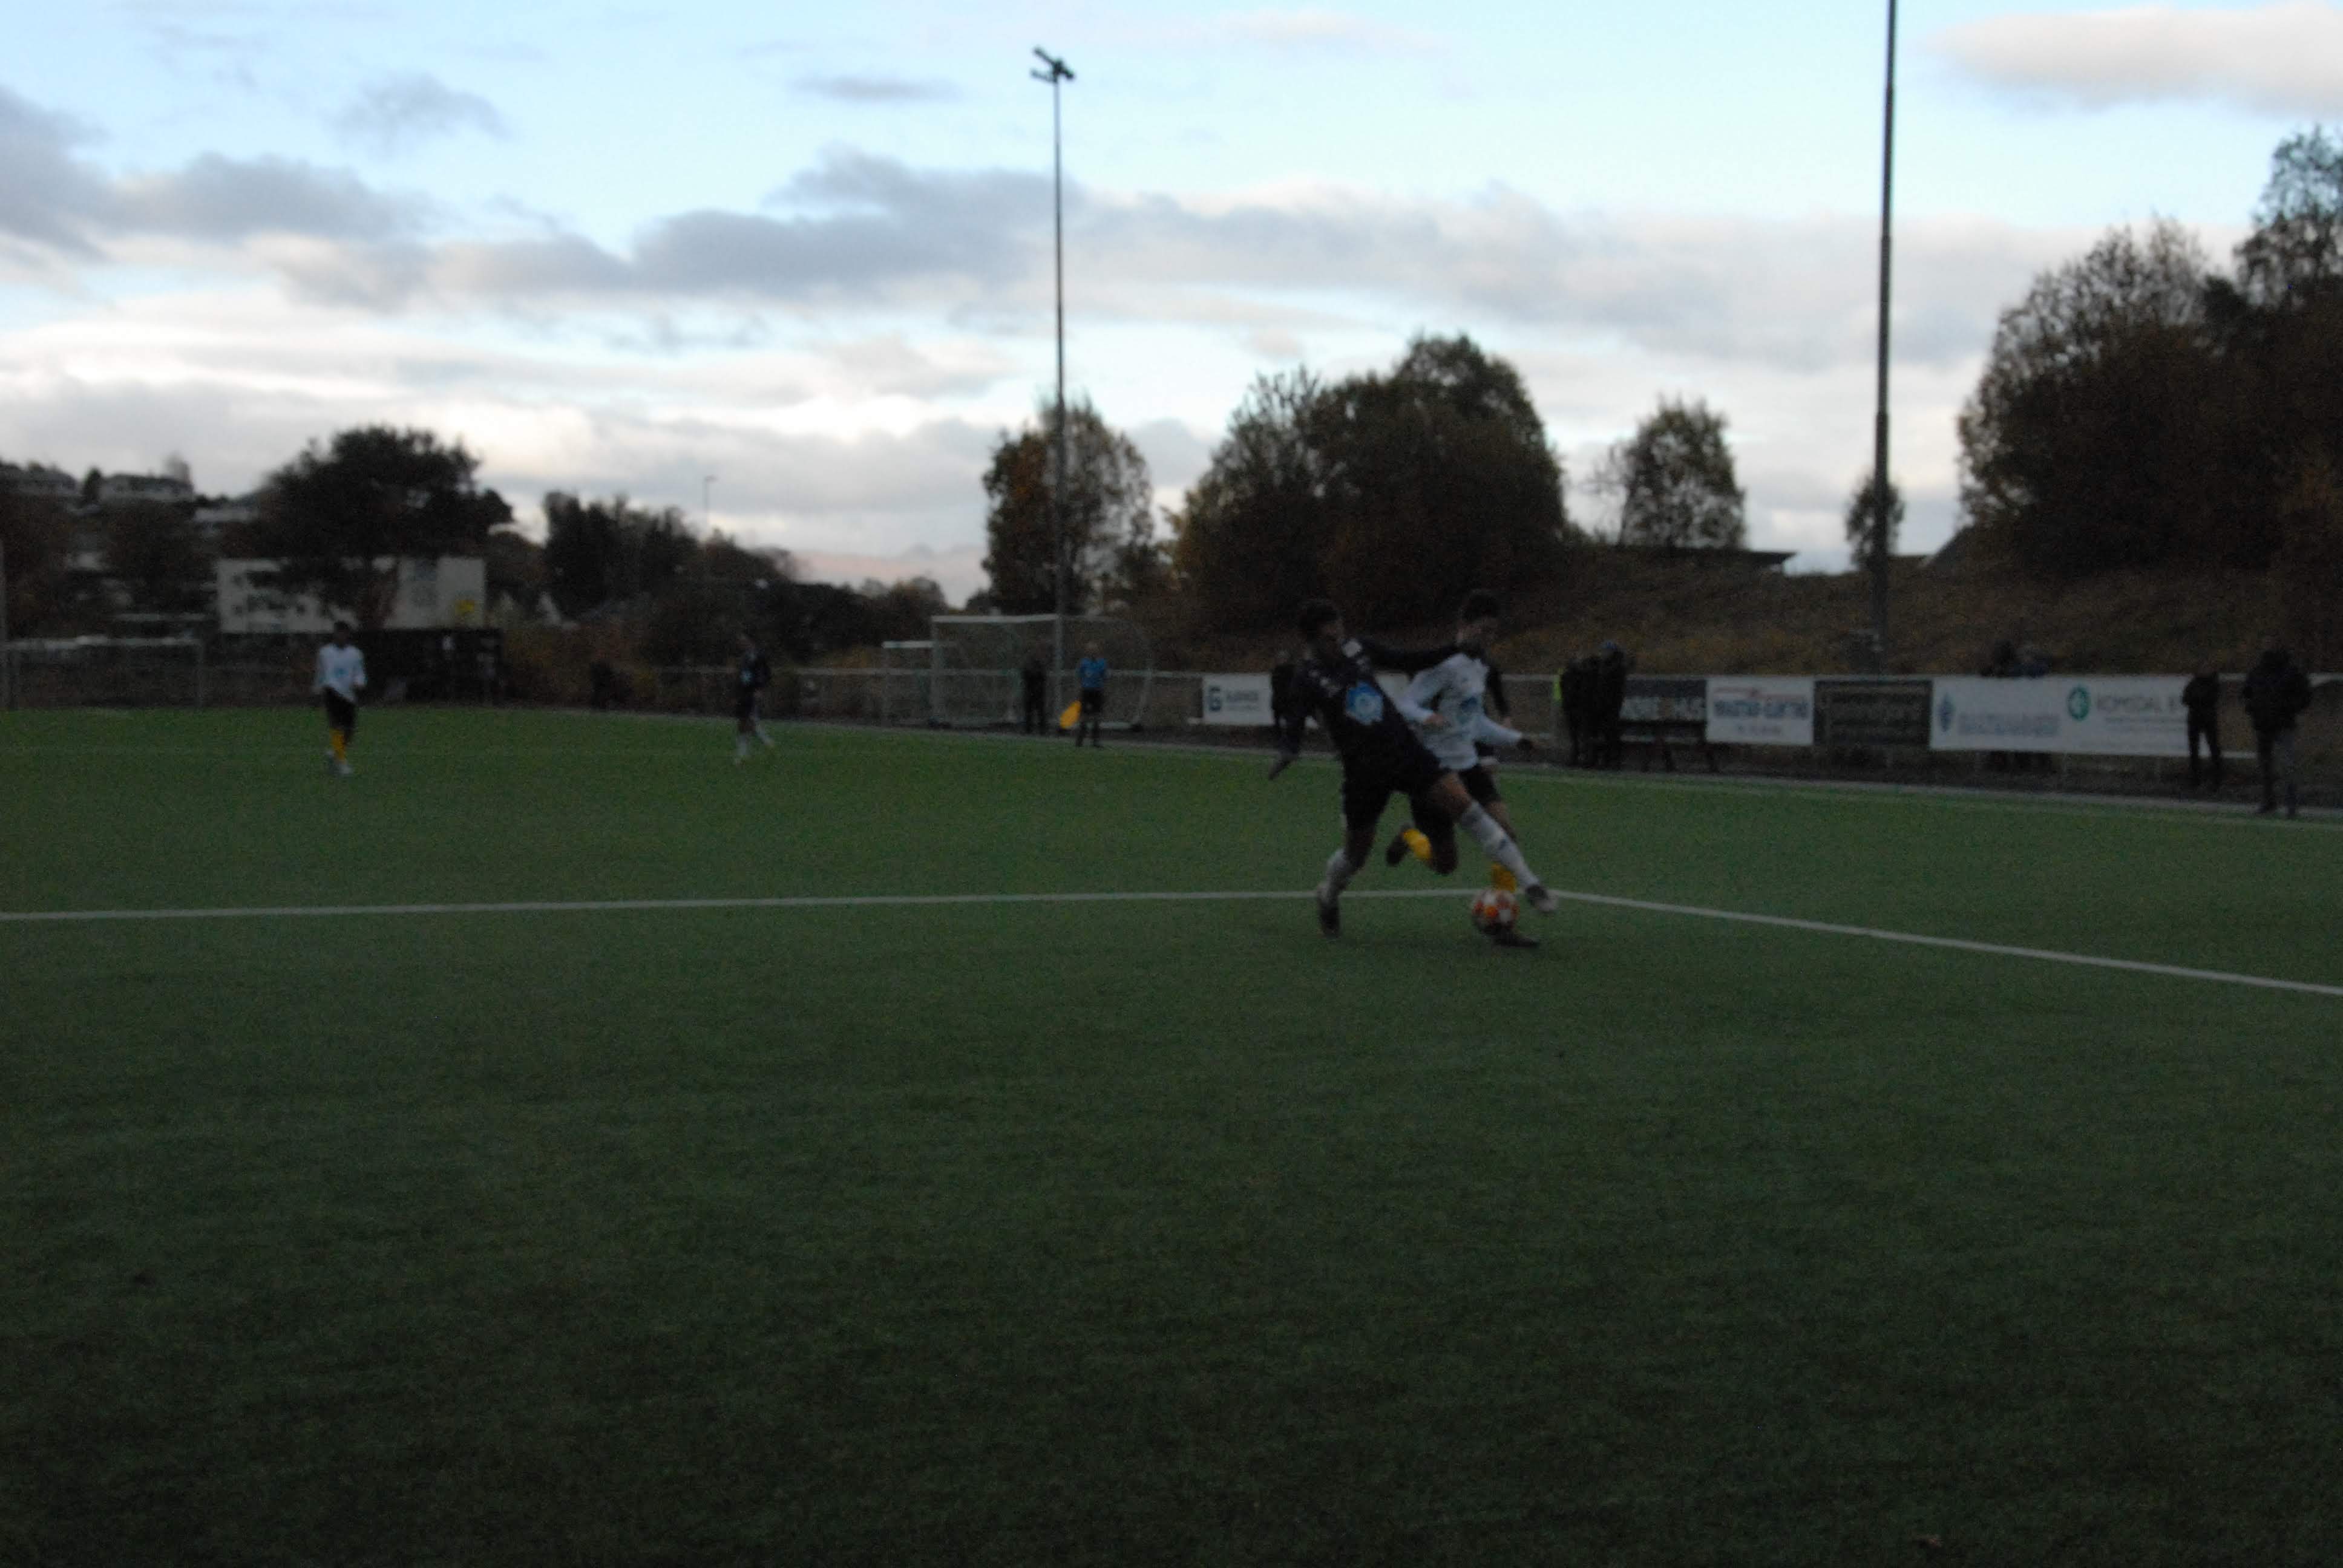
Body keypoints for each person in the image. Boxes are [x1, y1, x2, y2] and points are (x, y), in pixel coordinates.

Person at [1269, 598, 1558, 939]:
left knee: (1466, 808)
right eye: (1329, 639)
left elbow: (1409, 659)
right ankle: (1328, 894)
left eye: (1340, 634)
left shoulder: (1358, 648)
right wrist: (1288, 751)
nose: (1339, 643)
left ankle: (1530, 883)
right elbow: (1294, 720)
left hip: (1404, 750)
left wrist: (1455, 648)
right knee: (1356, 855)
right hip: (1364, 771)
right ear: (1311, 641)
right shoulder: (1306, 678)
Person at [1381, 590, 1545, 949]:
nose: (1488, 639)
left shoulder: (1480, 666)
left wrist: (1516, 739)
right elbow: (1403, 704)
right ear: (1464, 625)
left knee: (1506, 832)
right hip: (1433, 772)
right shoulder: (1442, 665)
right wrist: (1426, 716)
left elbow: (1475, 724)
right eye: (1482, 631)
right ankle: (1411, 837)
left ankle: (1504, 926)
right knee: (1445, 864)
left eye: (1493, 633)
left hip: (1469, 767)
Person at [2242, 642, 2313, 817]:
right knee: (2271, 766)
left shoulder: (2288, 672)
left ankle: (2288, 804)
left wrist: (2289, 708)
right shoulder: (2259, 672)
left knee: (2285, 765)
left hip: (2280, 724)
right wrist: (2252, 708)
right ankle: (2274, 802)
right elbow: (2246, 693)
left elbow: (2305, 696)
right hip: (2266, 724)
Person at [313, 621, 366, 777]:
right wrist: (316, 690)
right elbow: (320, 673)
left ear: (348, 635)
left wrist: (360, 682)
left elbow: (359, 672)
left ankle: (334, 753)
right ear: (335, 634)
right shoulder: (325, 652)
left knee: (349, 731)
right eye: (339, 633)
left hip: (348, 694)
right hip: (331, 691)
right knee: (337, 727)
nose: (341, 636)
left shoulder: (355, 653)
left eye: (344, 633)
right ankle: (341, 763)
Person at [733, 632, 774, 763]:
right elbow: (741, 676)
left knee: (748, 719)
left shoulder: (759, 656)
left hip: (753, 692)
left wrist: (760, 689)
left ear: (750, 641)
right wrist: (736, 691)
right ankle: (763, 738)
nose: (741, 643)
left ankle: (743, 752)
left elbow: (766, 674)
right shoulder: (743, 657)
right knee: (743, 720)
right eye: (740, 641)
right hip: (743, 692)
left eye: (743, 640)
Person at [2181, 667, 2223, 791]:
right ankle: (2196, 779)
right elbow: (2185, 699)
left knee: (2213, 749)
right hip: (2197, 719)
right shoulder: (2194, 683)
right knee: (2196, 750)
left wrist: (2196, 700)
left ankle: (2216, 779)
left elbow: (2209, 699)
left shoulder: (2210, 684)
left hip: (2205, 720)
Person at [1073, 642, 1109, 747]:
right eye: (1090, 650)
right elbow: (1079, 676)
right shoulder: (1083, 663)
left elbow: (1105, 677)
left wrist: (1105, 690)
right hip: (1086, 691)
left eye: (1094, 650)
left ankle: (1095, 740)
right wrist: (1080, 689)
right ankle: (1080, 739)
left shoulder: (1102, 663)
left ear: (1098, 651)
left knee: (1097, 716)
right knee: (1084, 715)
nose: (1093, 652)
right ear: (1087, 651)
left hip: (1097, 691)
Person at [1020, 652, 1047, 735]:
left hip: (1037, 692)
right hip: (1032, 692)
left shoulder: (1039, 667)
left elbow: (1043, 678)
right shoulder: (1030, 668)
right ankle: (1030, 729)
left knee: (1039, 711)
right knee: (1031, 711)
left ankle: (1040, 729)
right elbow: (1025, 676)